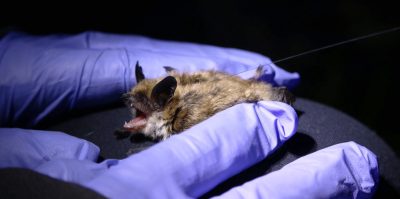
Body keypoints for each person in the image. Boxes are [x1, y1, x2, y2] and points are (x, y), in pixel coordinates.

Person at [0, 31, 378, 198]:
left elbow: (214, 99)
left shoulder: (179, 116)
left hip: (238, 100)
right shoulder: (157, 108)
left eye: (142, 108)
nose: (132, 117)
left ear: (162, 106)